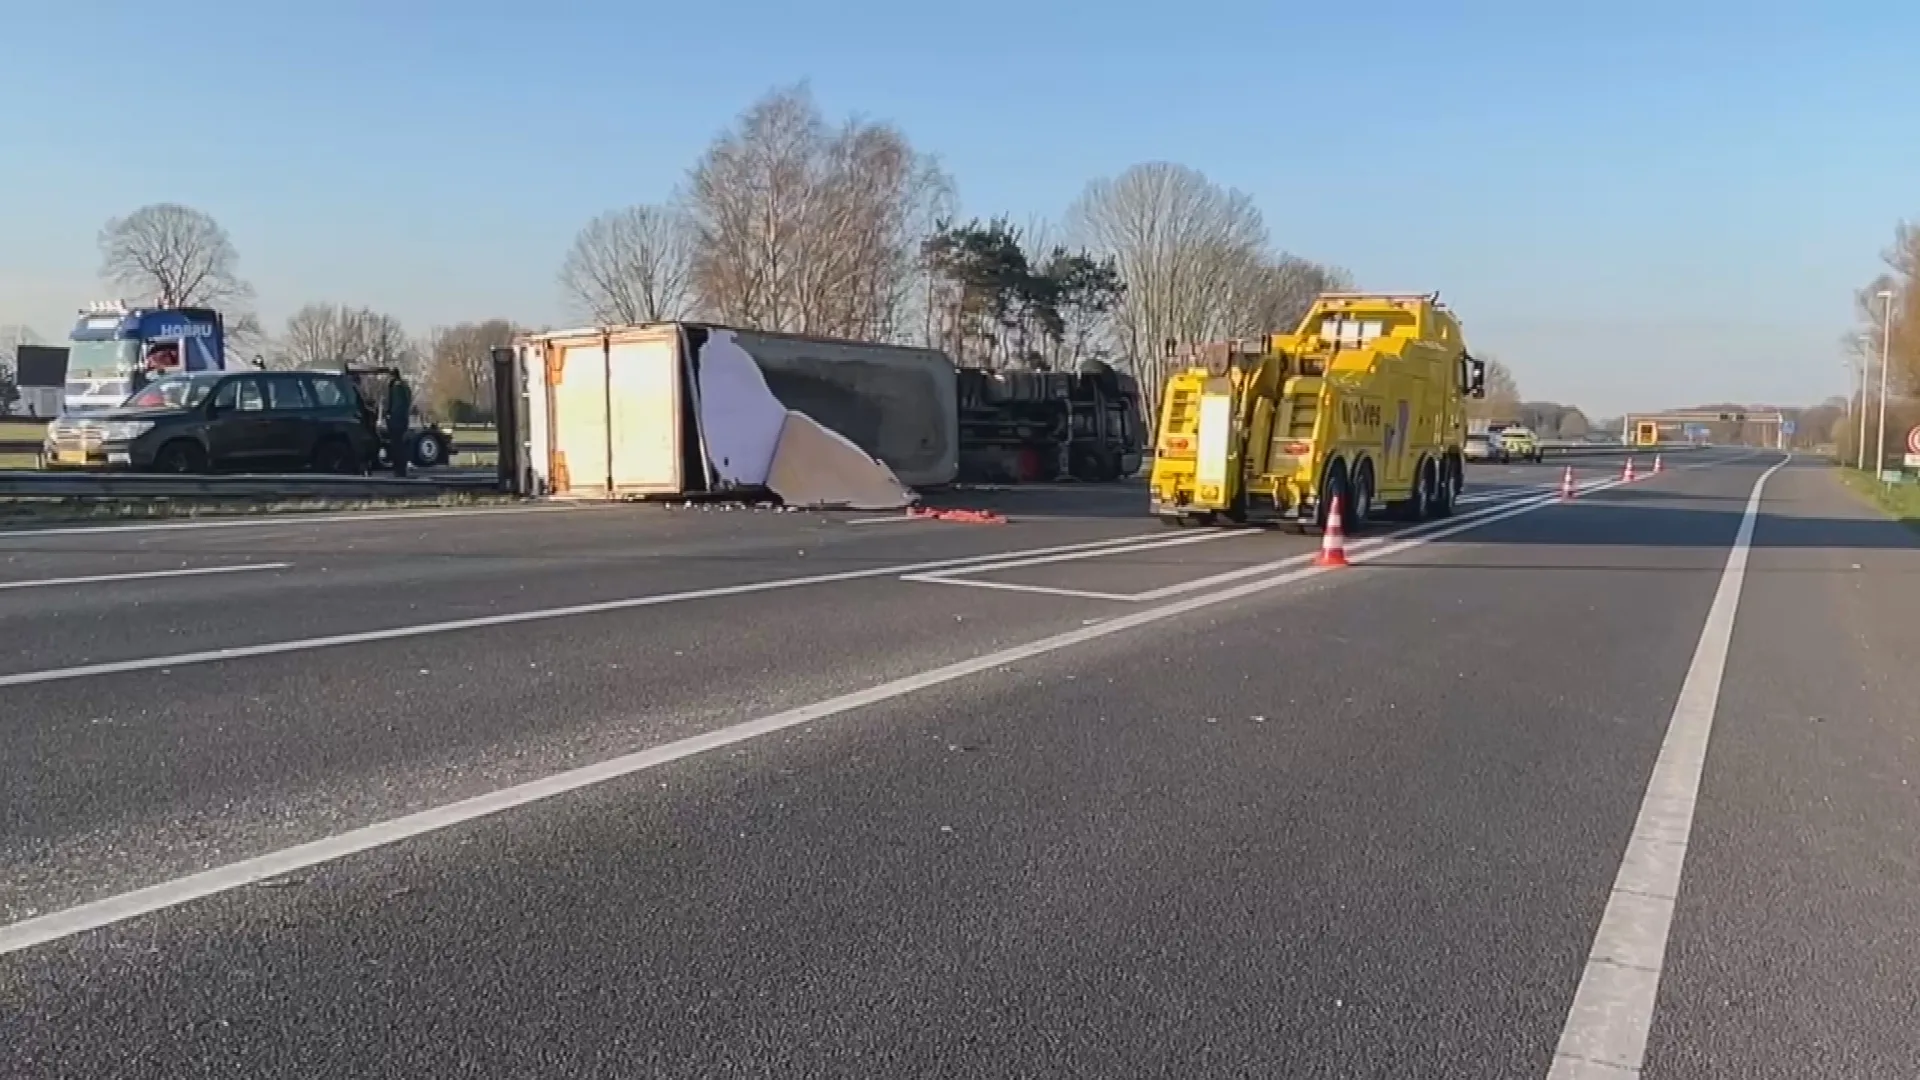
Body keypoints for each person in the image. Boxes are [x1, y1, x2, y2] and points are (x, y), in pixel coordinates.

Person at [384, 374, 414, 477]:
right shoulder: (404, 387)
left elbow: (395, 406)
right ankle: (401, 469)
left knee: (397, 446)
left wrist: (389, 418)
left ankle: (399, 471)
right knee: (401, 446)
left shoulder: (396, 388)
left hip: (396, 421)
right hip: (403, 420)